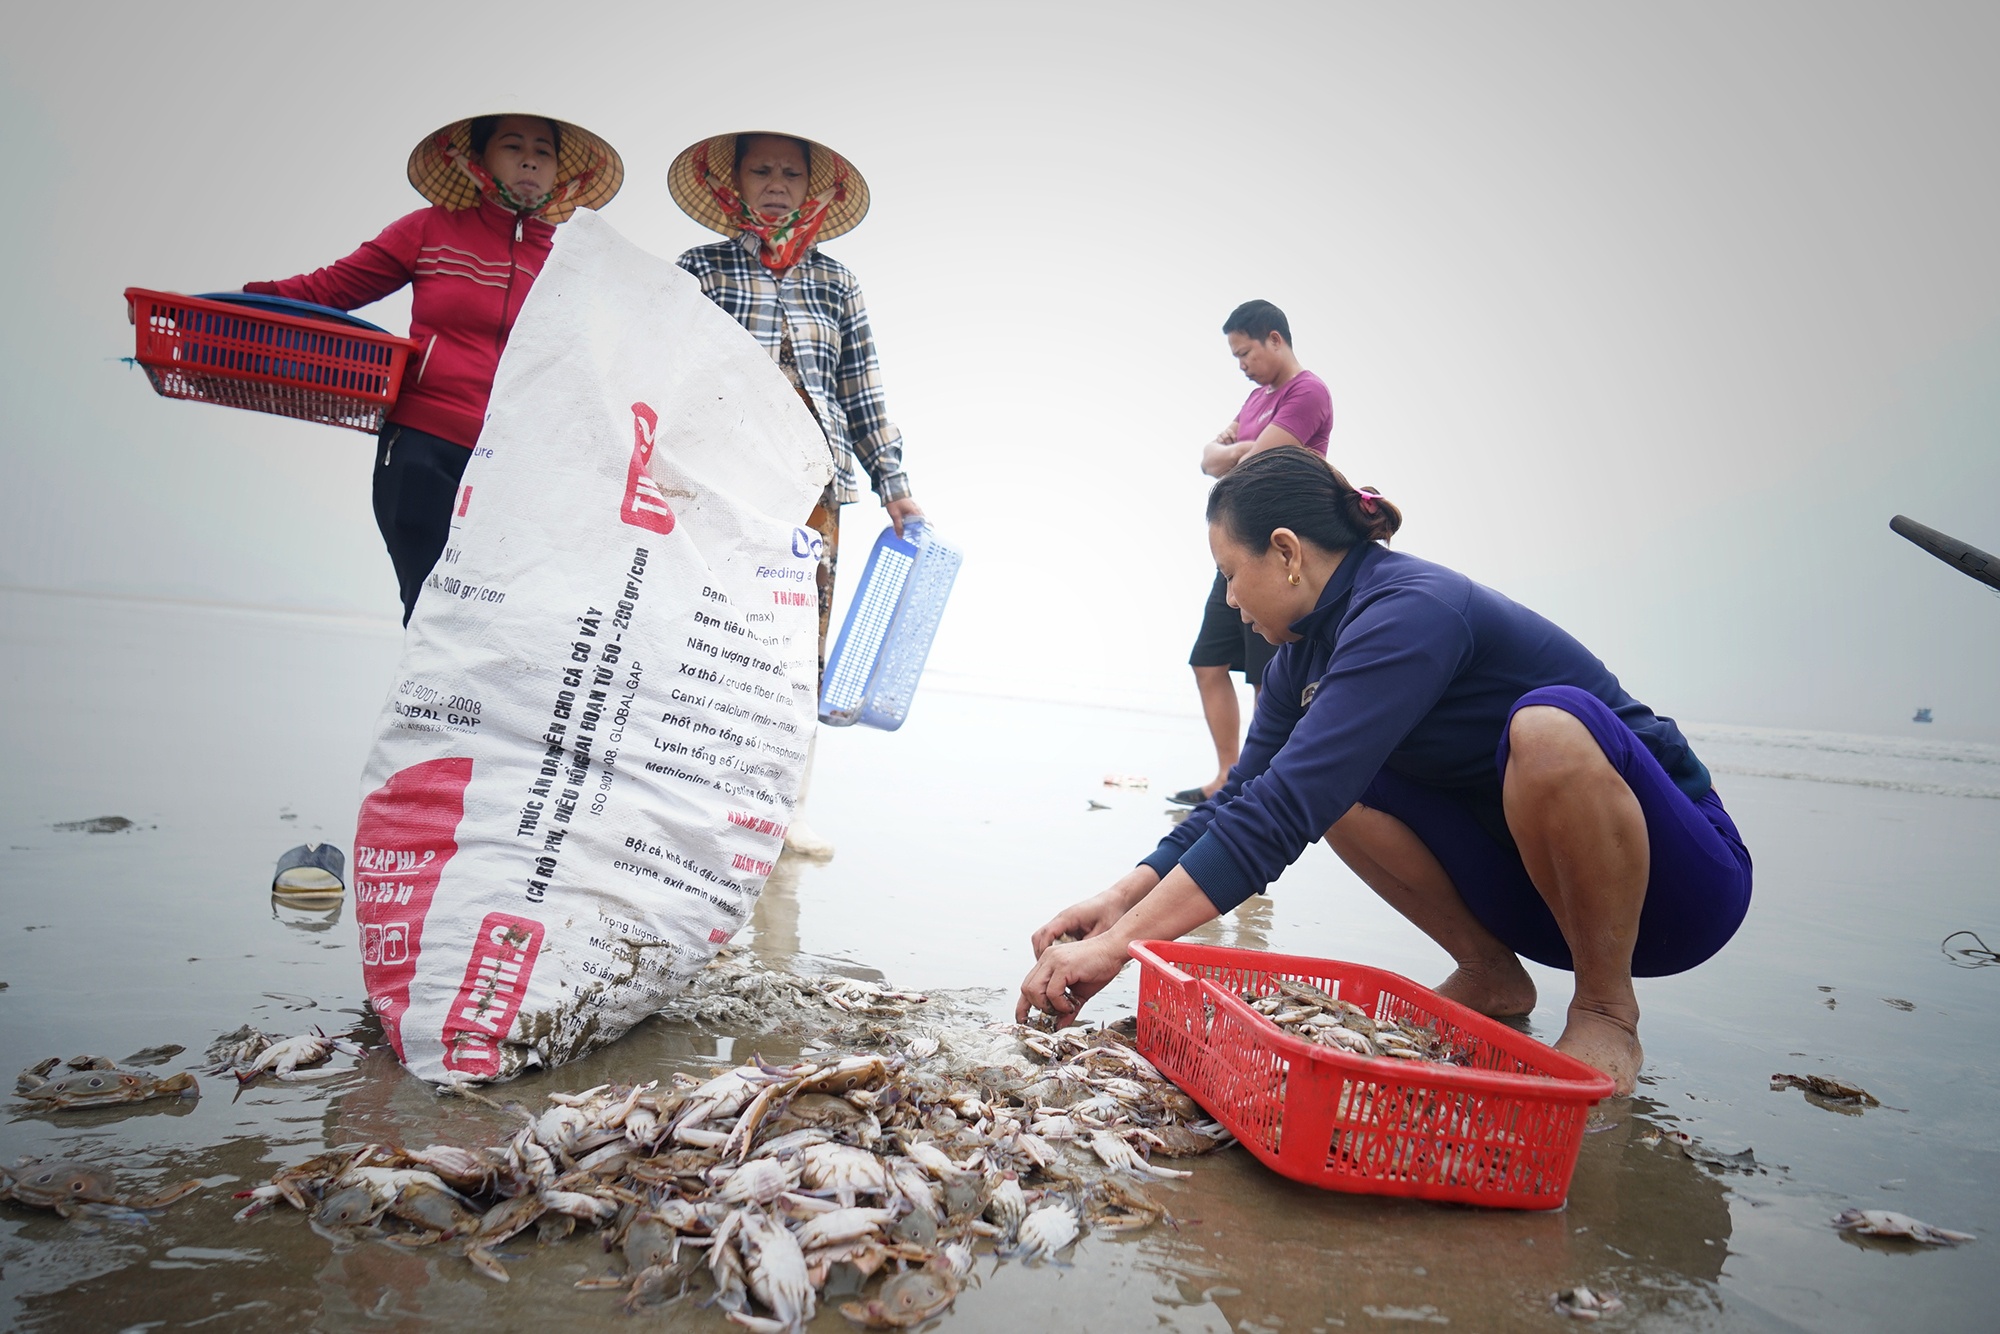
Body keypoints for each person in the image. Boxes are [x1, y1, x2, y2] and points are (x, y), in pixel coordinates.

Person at [1017, 447, 1752, 1094]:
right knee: (1333, 788)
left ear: (1286, 551)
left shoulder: (1412, 609)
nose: (1231, 600)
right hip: (1535, 891)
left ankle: (1605, 1009)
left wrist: (1118, 950)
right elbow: (1245, 798)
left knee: (1548, 730)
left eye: (1230, 575)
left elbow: (1280, 817)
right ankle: (1490, 973)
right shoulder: (1299, 659)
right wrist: (1118, 902)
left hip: (1675, 886)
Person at [243, 113, 623, 624]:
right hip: (421, 449)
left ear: (559, 172)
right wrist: (223, 303)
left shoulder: (568, 260)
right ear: (478, 161)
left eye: (543, 151)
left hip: (512, 465)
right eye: (513, 146)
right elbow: (325, 291)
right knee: (428, 614)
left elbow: (597, 364)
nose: (530, 160)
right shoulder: (429, 230)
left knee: (495, 624)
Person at [670, 130, 923, 857]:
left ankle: (786, 810)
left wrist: (895, 486)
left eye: (790, 173)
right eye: (761, 171)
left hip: (816, 488)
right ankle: (697, 795)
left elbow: (861, 391)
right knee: (713, 632)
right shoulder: (700, 269)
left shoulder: (836, 283)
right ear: (735, 182)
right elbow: (666, 370)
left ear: (813, 189)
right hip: (723, 484)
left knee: (800, 643)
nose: (776, 184)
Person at [1173, 300, 1333, 807]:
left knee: (1269, 674)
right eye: (1236, 357)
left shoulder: (1307, 391)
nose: (1242, 365)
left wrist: (1239, 450)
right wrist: (1234, 451)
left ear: (1275, 339)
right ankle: (1227, 775)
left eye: (1245, 353)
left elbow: (1259, 461)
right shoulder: (1257, 399)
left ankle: (1260, 780)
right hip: (1236, 546)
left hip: (1274, 551)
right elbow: (1209, 460)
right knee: (1208, 661)